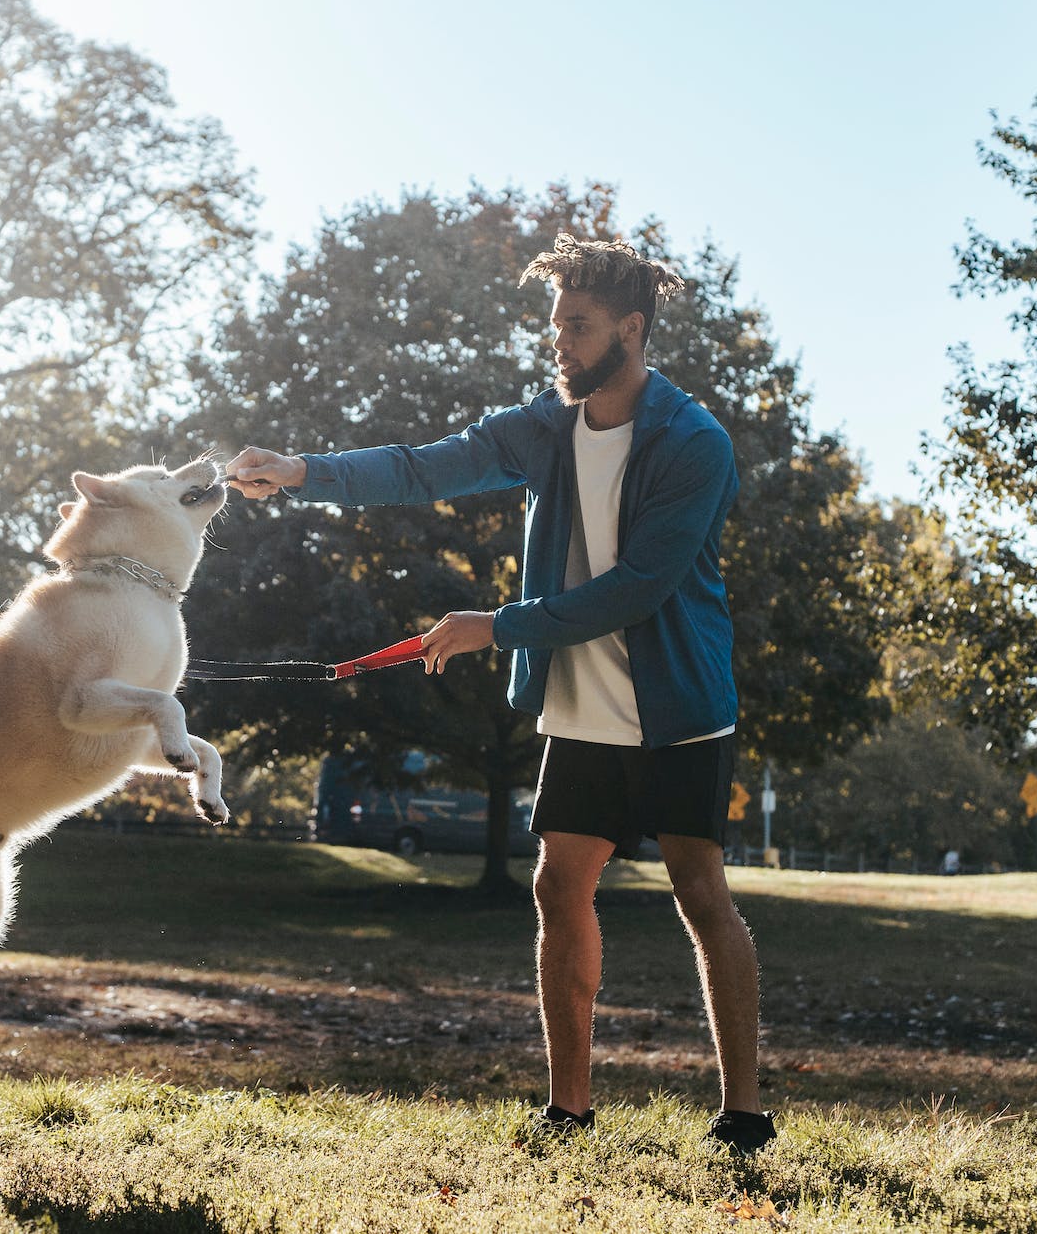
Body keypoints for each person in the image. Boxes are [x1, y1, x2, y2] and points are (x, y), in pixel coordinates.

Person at [226, 233, 775, 1155]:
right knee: (560, 887)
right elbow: (421, 465)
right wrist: (302, 471)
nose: (559, 342)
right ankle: (569, 1108)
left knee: (700, 893)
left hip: (679, 709)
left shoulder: (694, 443)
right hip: (583, 714)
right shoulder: (544, 427)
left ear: (631, 330)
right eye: (555, 324)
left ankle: (745, 1112)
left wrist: (496, 623)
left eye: (578, 325)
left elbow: (638, 585)